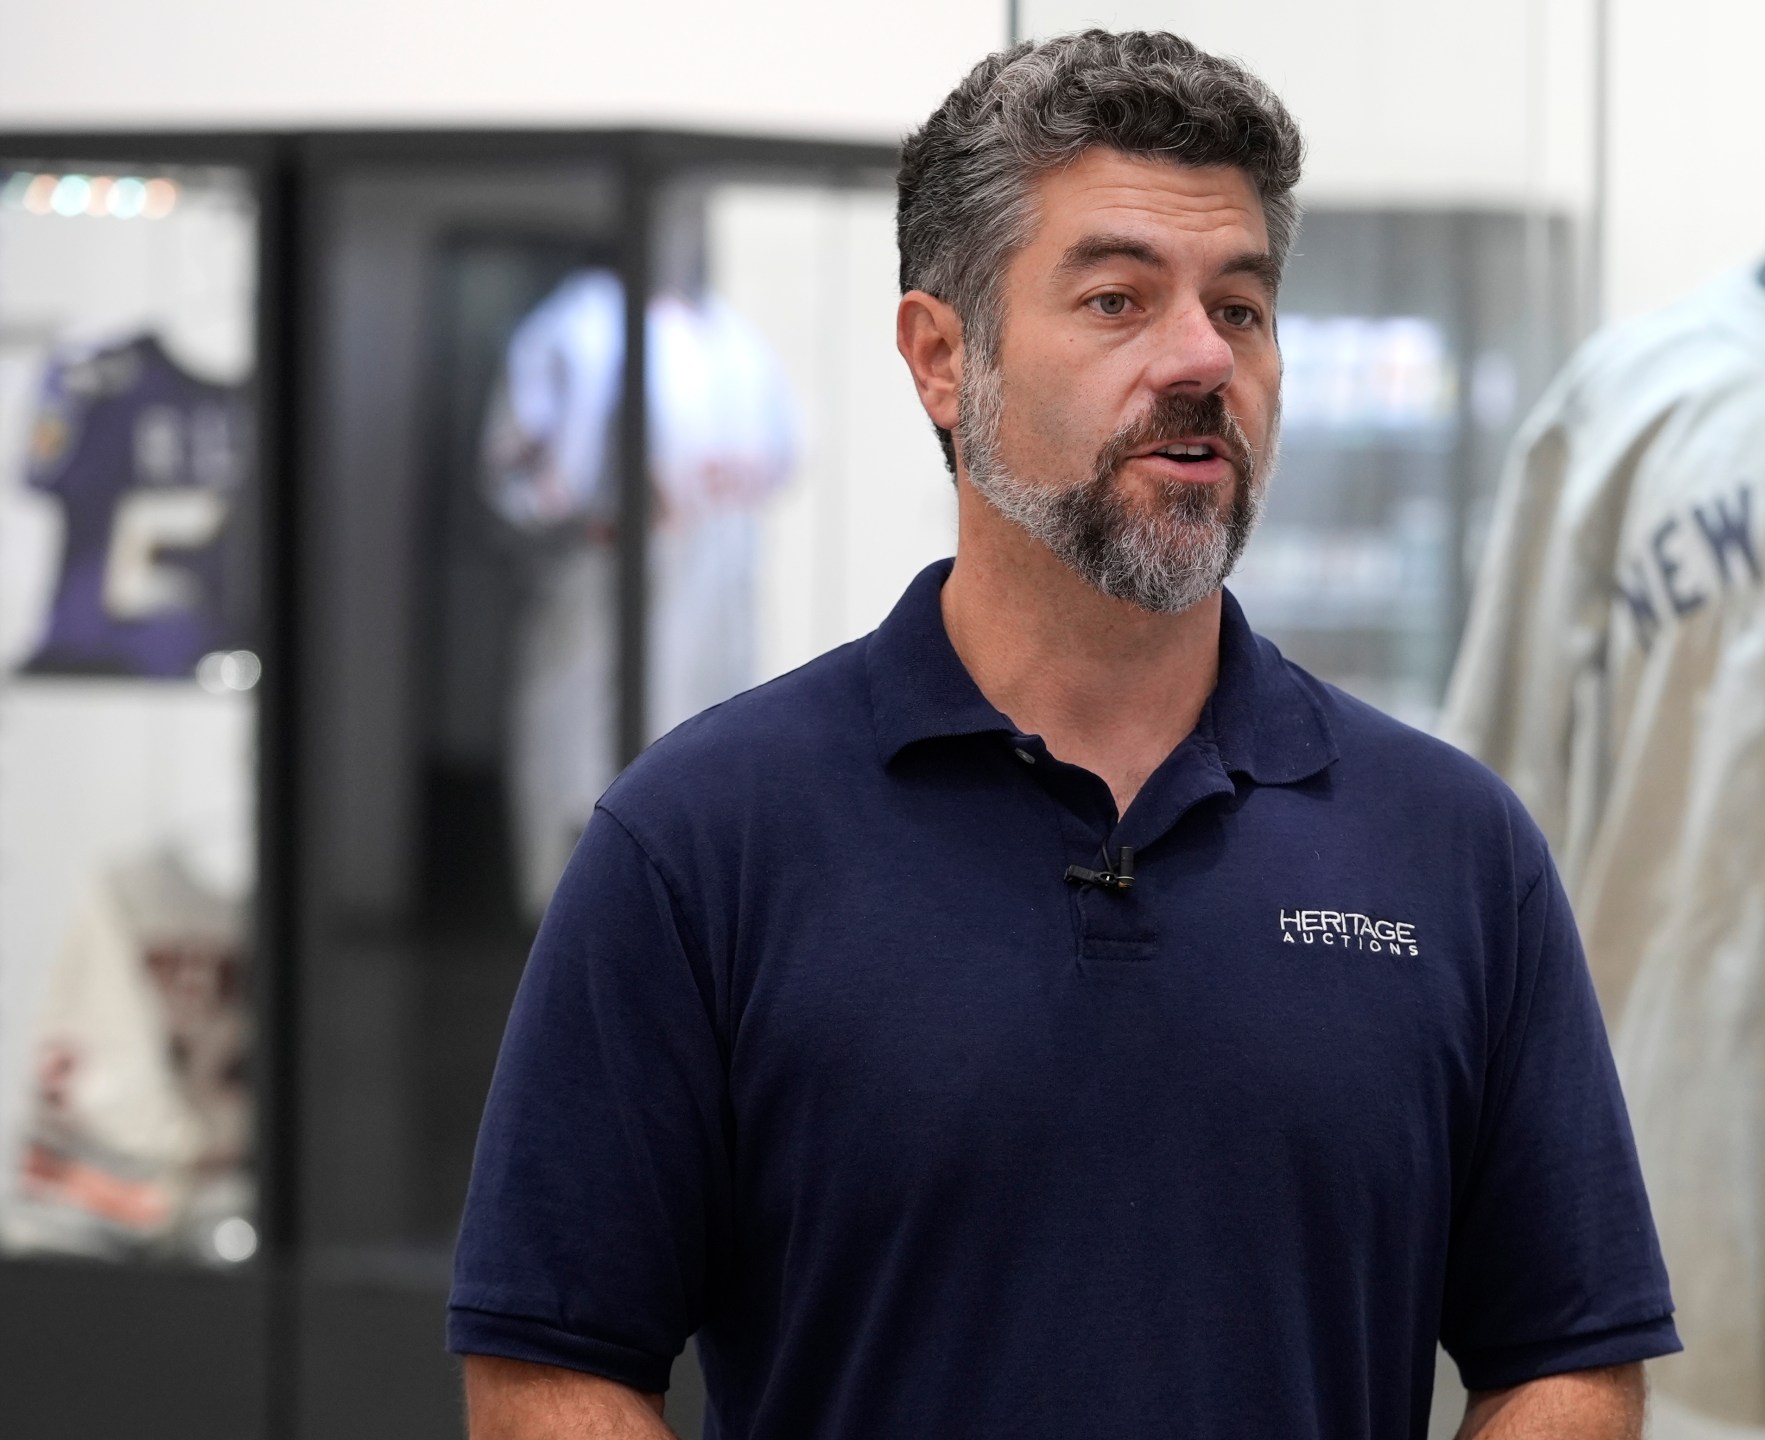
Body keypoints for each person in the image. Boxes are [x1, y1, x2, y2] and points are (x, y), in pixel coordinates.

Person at [448, 30, 1677, 1439]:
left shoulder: (1452, 849)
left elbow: (1571, 1355)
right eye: (1117, 300)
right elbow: (550, 1366)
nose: (1203, 358)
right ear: (938, 357)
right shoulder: (703, 841)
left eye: (1244, 307)